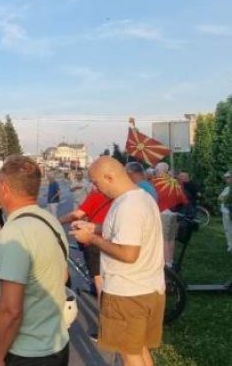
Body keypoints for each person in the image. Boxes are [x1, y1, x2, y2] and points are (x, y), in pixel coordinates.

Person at [71, 157, 165, 366]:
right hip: (148, 288)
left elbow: (128, 254)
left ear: (110, 176)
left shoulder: (128, 205)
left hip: (127, 293)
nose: (96, 188)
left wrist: (92, 239)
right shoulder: (140, 198)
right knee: (138, 349)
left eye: (96, 182)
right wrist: (94, 228)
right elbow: (123, 232)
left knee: (128, 354)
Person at [0, 156, 70, 366]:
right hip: (55, 344)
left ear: (3, 187)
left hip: (24, 353)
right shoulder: (49, 221)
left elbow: (11, 310)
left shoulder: (16, 233)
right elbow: (63, 274)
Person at [60, 186, 112, 312]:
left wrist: (58, 220)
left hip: (94, 241)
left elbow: (76, 215)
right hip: (112, 241)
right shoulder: (120, 196)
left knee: (100, 282)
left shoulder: (96, 195)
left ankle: (103, 322)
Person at [219, 171, 232, 252]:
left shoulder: (229, 189)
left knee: (228, 229)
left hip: (228, 211)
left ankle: (230, 245)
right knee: (228, 229)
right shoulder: (227, 188)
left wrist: (224, 198)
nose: (226, 179)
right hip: (226, 211)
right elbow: (220, 198)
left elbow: (220, 198)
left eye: (228, 177)